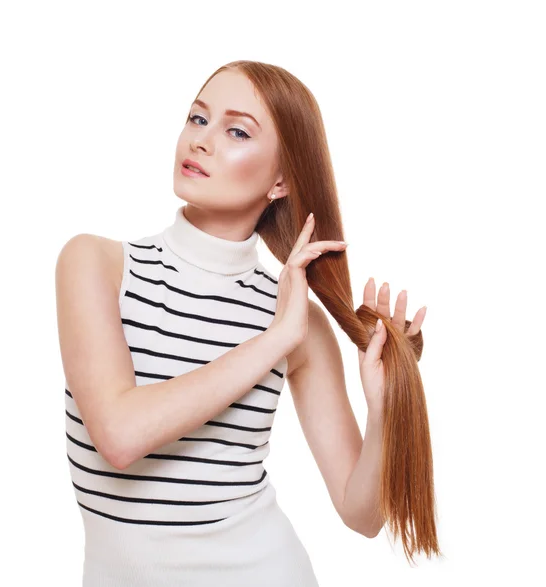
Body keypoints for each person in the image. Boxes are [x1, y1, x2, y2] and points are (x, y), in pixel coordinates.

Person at [56, 60, 439, 586]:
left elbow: (362, 515)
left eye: (236, 131)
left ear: (281, 181)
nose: (202, 141)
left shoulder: (298, 321)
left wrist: (385, 406)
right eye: (197, 118)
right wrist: (276, 339)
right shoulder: (95, 264)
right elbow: (120, 436)